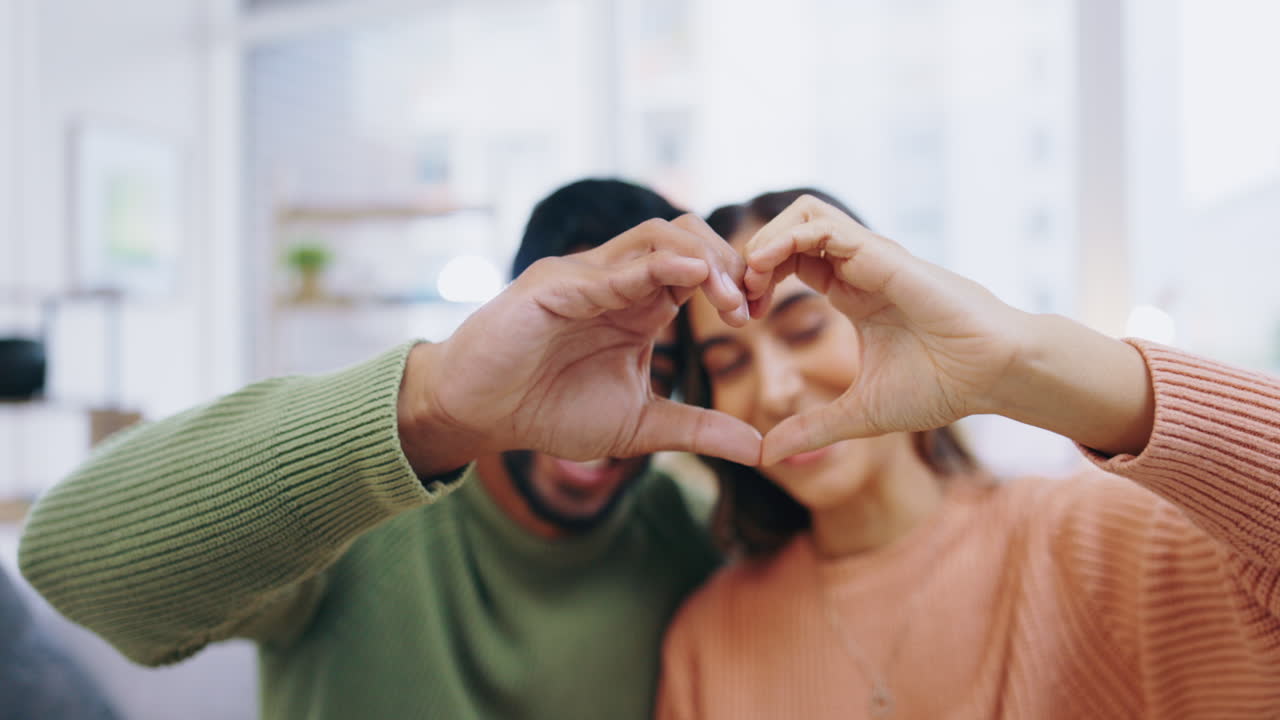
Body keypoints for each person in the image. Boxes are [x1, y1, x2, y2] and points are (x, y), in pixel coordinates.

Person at [18, 178, 760, 720]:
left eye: (647, 372)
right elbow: (68, 562)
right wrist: (429, 403)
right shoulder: (362, 507)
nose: (592, 419)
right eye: (572, 358)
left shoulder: (686, 541)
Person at [657, 188, 1280, 719]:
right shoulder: (709, 641)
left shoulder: (1092, 538)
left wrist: (1020, 361)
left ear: (890, 318)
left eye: (805, 329)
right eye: (728, 363)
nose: (775, 389)